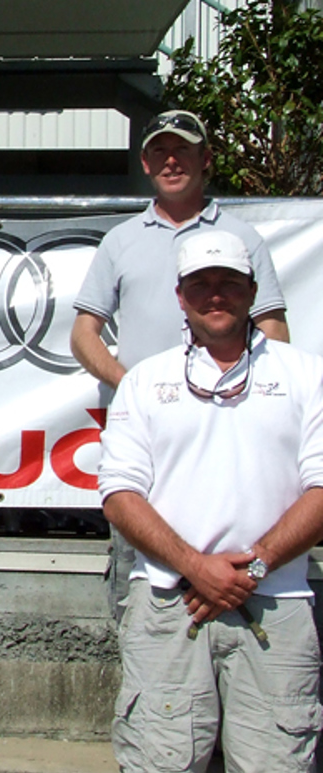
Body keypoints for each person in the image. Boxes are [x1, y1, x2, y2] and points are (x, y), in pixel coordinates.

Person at [99, 230, 323, 773]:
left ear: (251, 290)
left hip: (279, 604)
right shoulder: (145, 383)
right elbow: (119, 494)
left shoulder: (307, 375)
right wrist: (196, 567)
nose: (215, 294)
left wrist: (255, 566)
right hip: (168, 604)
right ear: (180, 294)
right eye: (201, 283)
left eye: (228, 282)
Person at [70, 109, 289, 620]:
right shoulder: (120, 240)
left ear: (205, 159)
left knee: (236, 570)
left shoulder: (243, 238)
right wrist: (132, 384)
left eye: (183, 150)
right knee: (138, 580)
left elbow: (274, 330)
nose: (172, 161)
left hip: (230, 434)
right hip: (149, 438)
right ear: (145, 164)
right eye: (160, 152)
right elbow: (84, 335)